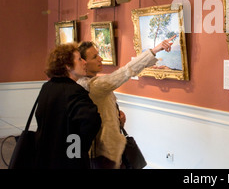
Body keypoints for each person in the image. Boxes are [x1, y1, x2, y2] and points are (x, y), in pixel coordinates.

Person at [77, 36, 175, 169]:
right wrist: (155, 50)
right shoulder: (94, 85)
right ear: (83, 63)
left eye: (98, 55)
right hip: (105, 152)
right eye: (94, 57)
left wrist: (115, 115)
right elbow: (126, 71)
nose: (100, 58)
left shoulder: (86, 83)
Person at [34, 43, 101, 169]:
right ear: (68, 66)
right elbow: (92, 122)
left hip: (45, 154)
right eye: (80, 59)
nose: (84, 62)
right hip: (68, 159)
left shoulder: (47, 87)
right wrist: (76, 150)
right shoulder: (74, 91)